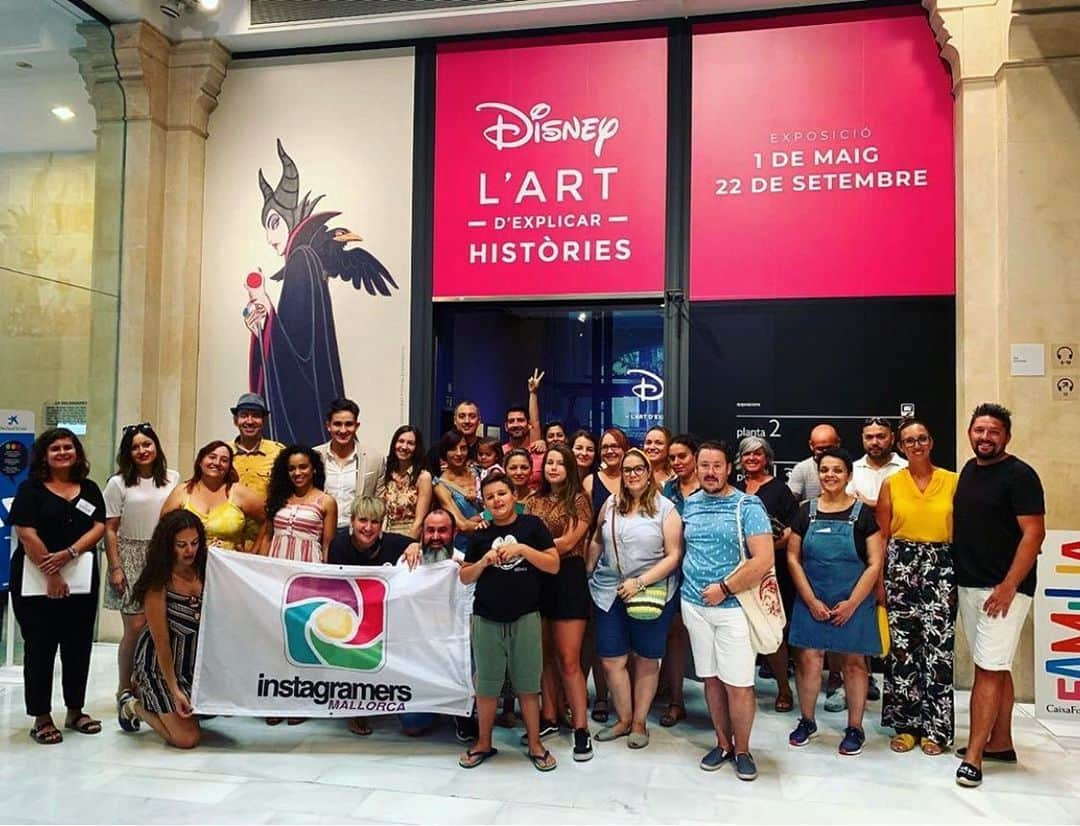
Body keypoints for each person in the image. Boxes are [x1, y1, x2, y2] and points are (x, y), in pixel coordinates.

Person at [953, 404, 1045, 789]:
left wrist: (1009, 586)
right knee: (994, 664)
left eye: (993, 432)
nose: (985, 437)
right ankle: (1001, 742)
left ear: (1007, 436)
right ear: (970, 433)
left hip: (1003, 591)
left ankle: (974, 756)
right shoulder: (970, 471)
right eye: (979, 431)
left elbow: (1034, 533)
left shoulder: (1020, 475)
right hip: (971, 584)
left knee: (986, 670)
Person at [681, 441, 775, 781]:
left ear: (728, 468)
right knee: (711, 680)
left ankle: (743, 749)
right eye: (703, 465)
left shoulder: (747, 505)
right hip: (694, 605)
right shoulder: (689, 505)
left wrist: (724, 588)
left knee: (738, 684)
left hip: (734, 607)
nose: (709, 472)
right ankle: (722, 743)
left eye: (716, 465)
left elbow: (763, 559)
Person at [9, 428, 106, 745]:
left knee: (78, 647)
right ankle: (41, 717)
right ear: (44, 456)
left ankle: (75, 711)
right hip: (36, 582)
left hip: (80, 580)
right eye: (56, 449)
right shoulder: (30, 489)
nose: (63, 452)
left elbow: (99, 526)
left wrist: (70, 553)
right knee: (40, 648)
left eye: (68, 447)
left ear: (77, 452)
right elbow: (26, 532)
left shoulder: (89, 489)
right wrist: (51, 572)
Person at [458, 471, 560, 772]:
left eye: (501, 493)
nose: (496, 500)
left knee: (528, 684)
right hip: (486, 617)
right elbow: (464, 577)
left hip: (526, 615)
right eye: (490, 497)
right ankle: (483, 742)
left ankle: (535, 744)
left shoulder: (532, 526)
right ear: (485, 504)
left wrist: (523, 550)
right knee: (487, 686)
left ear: (513, 496)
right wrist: (483, 561)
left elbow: (553, 565)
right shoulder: (480, 534)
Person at [787, 448, 884, 757]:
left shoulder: (864, 515)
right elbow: (792, 557)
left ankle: (854, 727)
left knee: (854, 663)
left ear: (849, 475)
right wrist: (810, 599)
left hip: (853, 600)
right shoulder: (805, 511)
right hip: (811, 597)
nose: (830, 475)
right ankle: (807, 721)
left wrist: (852, 603)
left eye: (837, 470)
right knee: (809, 660)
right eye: (825, 470)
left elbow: (874, 563)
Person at [587, 448, 682, 750]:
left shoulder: (665, 508)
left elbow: (675, 555)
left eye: (638, 468)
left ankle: (640, 721)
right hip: (609, 591)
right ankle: (624, 719)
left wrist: (640, 582)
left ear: (649, 471)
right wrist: (588, 571)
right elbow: (597, 539)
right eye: (627, 470)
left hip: (651, 591)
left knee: (646, 659)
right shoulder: (611, 504)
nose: (632, 474)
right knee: (612, 659)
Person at [876, 419, 958, 756]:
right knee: (903, 651)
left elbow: (963, 533)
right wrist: (879, 582)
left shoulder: (952, 481)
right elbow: (882, 536)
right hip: (900, 569)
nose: (917, 444)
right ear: (901, 446)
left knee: (938, 652)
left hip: (941, 569)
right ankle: (907, 726)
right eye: (910, 440)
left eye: (922, 438)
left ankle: (936, 729)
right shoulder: (892, 484)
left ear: (931, 442)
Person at [103, 422, 180, 732]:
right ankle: (125, 686)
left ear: (156, 447)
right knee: (135, 627)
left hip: (162, 555)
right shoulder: (118, 483)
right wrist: (116, 566)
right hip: (130, 555)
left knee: (161, 626)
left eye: (147, 444)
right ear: (128, 453)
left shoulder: (173, 478)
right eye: (136, 447)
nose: (142, 450)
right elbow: (109, 528)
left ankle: (151, 682)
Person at [327, 496, 422, 735]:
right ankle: (354, 708)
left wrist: (414, 545)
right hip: (350, 613)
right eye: (362, 521)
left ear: (382, 524)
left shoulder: (392, 543)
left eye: (375, 522)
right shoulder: (339, 545)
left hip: (387, 619)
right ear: (351, 521)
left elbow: (417, 543)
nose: (368, 528)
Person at [525, 445, 594, 761]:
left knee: (569, 659)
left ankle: (581, 727)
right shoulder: (532, 500)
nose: (553, 467)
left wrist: (529, 547)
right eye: (548, 462)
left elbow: (567, 543)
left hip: (568, 579)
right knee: (543, 655)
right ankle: (549, 716)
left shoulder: (579, 500)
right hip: (538, 580)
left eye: (559, 463)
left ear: (569, 467)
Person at [120, 510, 206, 749]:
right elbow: (162, 644)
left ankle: (165, 704)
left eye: (194, 543)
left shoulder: (205, 571)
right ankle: (132, 705)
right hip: (159, 665)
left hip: (190, 662)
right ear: (169, 546)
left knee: (215, 713)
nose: (189, 550)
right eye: (182, 545)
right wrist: (174, 689)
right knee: (186, 739)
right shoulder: (158, 583)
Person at [736, 435, 799, 713]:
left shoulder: (780, 490)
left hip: (770, 571)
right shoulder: (733, 488)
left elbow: (792, 530)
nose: (752, 459)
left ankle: (784, 688)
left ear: (767, 459)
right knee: (738, 633)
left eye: (757, 454)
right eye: (747, 455)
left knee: (772, 631)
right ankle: (740, 691)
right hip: (736, 570)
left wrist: (763, 547)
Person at [582, 427, 628, 724]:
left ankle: (628, 699)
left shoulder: (635, 477)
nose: (610, 451)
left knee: (628, 643)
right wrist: (586, 568)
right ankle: (600, 695)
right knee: (597, 636)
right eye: (605, 447)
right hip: (599, 570)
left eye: (615, 446)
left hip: (635, 574)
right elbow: (588, 529)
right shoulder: (590, 481)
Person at [657, 433, 700, 728]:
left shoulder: (709, 488)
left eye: (682, 456)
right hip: (671, 571)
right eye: (672, 458)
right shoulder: (665, 489)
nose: (676, 462)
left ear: (695, 456)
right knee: (673, 635)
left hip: (702, 571)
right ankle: (676, 700)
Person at [161, 441, 264, 551]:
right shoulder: (182, 491)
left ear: (229, 467)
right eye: (212, 457)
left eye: (224, 460)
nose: (217, 463)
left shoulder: (238, 492)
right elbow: (163, 529)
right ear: (200, 461)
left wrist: (255, 553)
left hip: (228, 564)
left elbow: (269, 520)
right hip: (189, 564)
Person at [257, 445, 337, 564]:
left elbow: (327, 546)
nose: (297, 473)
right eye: (291, 469)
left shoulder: (327, 501)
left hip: (307, 571)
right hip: (275, 569)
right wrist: (261, 569)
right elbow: (267, 538)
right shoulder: (278, 498)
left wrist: (326, 576)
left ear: (314, 469)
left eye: (303, 467)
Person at [314, 398, 384, 529]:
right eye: (337, 424)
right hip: (320, 531)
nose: (343, 430)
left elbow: (379, 502)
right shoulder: (314, 456)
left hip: (357, 535)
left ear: (356, 426)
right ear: (328, 426)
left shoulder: (375, 459)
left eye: (349, 424)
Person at [229, 393, 284, 550]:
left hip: (267, 540)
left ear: (264, 421)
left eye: (256, 416)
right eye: (244, 415)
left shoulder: (279, 453)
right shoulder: (222, 453)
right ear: (235, 420)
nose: (249, 421)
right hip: (229, 541)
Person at [432, 431, 484, 553]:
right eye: (453, 449)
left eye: (463, 448)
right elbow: (462, 525)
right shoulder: (440, 485)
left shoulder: (479, 472)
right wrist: (494, 526)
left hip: (489, 543)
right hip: (464, 548)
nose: (459, 453)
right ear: (445, 452)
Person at [381, 425, 433, 538]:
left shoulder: (423, 477)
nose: (404, 447)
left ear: (417, 447)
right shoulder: (387, 473)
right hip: (386, 535)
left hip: (411, 536)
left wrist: (408, 544)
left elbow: (420, 521)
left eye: (410, 443)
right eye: (401, 441)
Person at [849, 417, 908, 508]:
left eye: (881, 437)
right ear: (862, 439)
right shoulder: (851, 470)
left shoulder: (908, 469)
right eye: (869, 437)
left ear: (892, 438)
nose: (874, 442)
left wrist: (869, 503)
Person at [787, 423, 841, 502]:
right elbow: (790, 502)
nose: (825, 452)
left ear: (838, 443)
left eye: (829, 448)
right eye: (820, 449)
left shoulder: (850, 467)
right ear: (811, 445)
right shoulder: (802, 469)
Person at [643, 426, 676, 490]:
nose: (652, 447)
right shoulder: (636, 474)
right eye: (648, 443)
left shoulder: (676, 476)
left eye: (659, 443)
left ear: (668, 447)